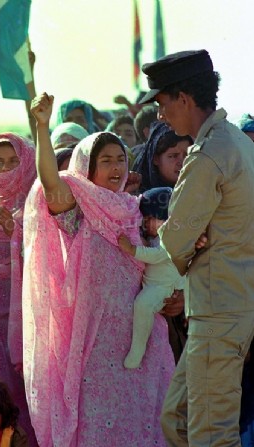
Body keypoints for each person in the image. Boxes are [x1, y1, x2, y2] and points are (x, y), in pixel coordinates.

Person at [21, 92, 175, 447]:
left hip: (142, 341)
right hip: (94, 345)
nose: (116, 167)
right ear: (86, 167)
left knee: (146, 427)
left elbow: (166, 258)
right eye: (105, 160)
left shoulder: (138, 210)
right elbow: (51, 184)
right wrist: (42, 129)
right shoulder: (80, 213)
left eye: (121, 159)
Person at [140, 49, 254, 446]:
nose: (160, 115)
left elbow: (173, 240)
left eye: (161, 103)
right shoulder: (236, 142)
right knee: (179, 419)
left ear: (183, 99)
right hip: (228, 305)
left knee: (210, 435)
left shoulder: (208, 155)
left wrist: (186, 242)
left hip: (219, 310)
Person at [0, 133, 38, 447]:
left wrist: (15, 233)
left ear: (27, 161)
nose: (5, 168)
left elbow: (46, 259)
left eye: (13, 161)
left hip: (27, 316)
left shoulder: (36, 202)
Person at [118, 187, 186, 369]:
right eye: (144, 220)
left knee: (143, 304)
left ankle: (137, 352)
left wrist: (133, 250)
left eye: (150, 219)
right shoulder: (157, 236)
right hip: (156, 284)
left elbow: (157, 255)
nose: (145, 224)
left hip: (164, 288)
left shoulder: (173, 237)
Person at [132, 121, 193, 193]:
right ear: (155, 159)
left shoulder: (199, 191)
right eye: (173, 156)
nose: (183, 162)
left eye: (187, 155)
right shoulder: (135, 197)